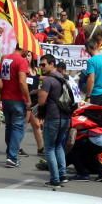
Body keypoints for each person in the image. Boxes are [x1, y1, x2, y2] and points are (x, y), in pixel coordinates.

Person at [37, 55, 72, 188]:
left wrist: (39, 92)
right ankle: (62, 175)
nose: (41, 67)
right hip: (65, 117)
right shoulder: (63, 77)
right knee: (58, 146)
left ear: (52, 64)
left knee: (50, 148)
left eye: (43, 64)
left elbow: (41, 101)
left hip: (53, 117)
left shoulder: (48, 81)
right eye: (40, 65)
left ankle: (55, 179)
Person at [0, 44, 31, 168]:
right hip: (17, 99)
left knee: (9, 127)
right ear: (22, 48)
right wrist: (28, 99)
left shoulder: (5, 58)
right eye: (27, 50)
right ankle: (12, 157)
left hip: (6, 97)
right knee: (18, 128)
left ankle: (10, 154)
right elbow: (22, 81)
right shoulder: (21, 61)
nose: (27, 53)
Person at [69, 103, 102, 182]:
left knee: (74, 151)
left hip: (100, 140)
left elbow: (71, 131)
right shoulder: (93, 115)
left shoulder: (77, 119)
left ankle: (83, 174)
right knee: (89, 154)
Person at [82, 33, 102, 107]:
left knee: (94, 116)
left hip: (96, 94)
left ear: (89, 48)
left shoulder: (91, 61)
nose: (86, 51)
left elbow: (91, 80)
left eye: (86, 49)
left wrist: (88, 96)